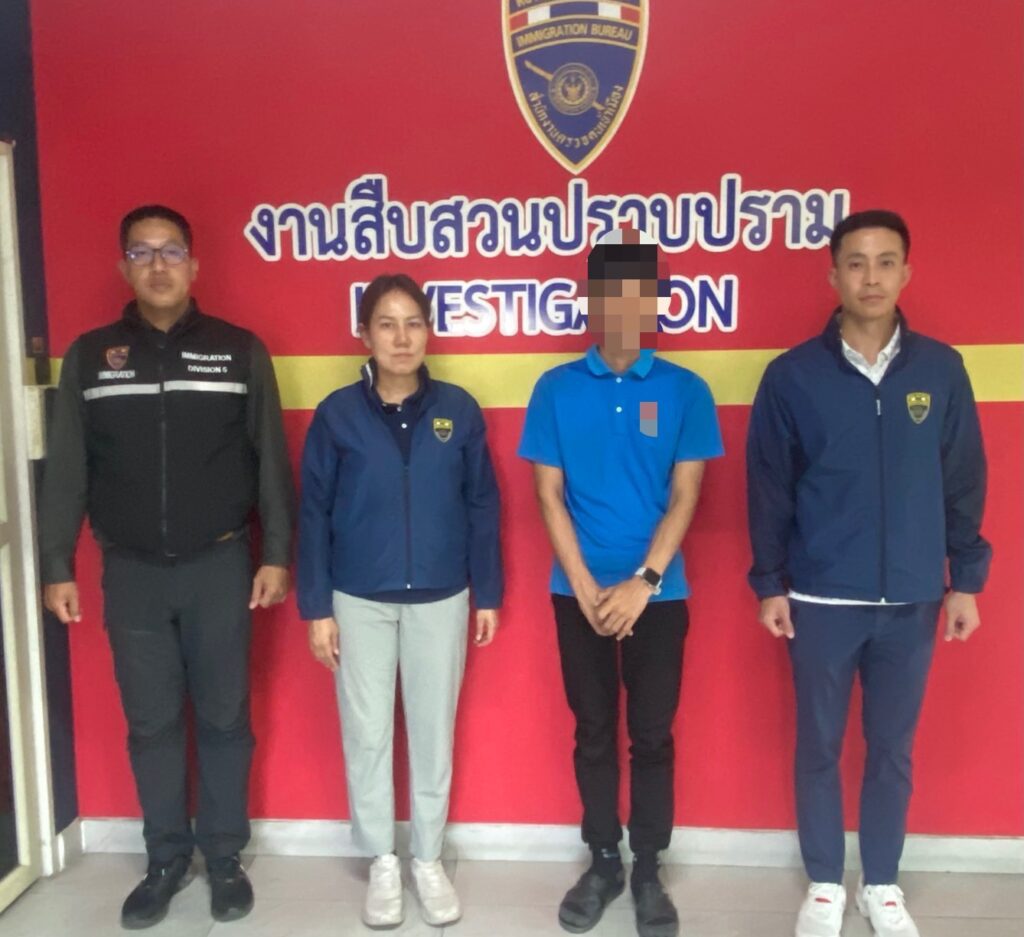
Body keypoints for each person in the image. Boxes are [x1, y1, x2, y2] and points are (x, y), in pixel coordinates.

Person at [39, 205, 296, 928]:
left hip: (220, 564)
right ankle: (164, 858)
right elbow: (67, 471)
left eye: (171, 250)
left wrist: (277, 553)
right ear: (123, 266)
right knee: (150, 723)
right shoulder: (90, 358)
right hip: (132, 574)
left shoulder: (239, 351)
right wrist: (57, 561)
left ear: (194, 264)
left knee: (224, 718)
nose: (158, 264)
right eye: (142, 252)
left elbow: (270, 463)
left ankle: (223, 856)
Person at [746, 210, 991, 937]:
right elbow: (769, 488)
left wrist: (965, 579)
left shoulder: (940, 370)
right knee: (819, 746)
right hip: (821, 596)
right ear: (834, 275)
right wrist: (770, 582)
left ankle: (881, 883)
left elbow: (963, 478)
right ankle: (825, 883)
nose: (872, 277)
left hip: (912, 597)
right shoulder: (792, 376)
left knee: (892, 749)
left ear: (906, 272)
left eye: (886, 262)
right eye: (856, 262)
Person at [518, 227, 723, 937]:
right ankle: (603, 859)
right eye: (612, 295)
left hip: (659, 596)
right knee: (593, 729)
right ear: (592, 301)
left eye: (640, 294)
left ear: (656, 301)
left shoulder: (685, 390)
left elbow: (686, 495)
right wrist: (582, 584)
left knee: (653, 734)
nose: (625, 309)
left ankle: (648, 869)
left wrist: (644, 580)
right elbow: (548, 494)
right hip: (576, 593)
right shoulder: (555, 388)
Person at [297, 272, 503, 928]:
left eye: (413, 322)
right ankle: (382, 859)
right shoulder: (337, 414)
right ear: (364, 334)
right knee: (367, 733)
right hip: (358, 596)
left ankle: (427, 858)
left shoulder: (458, 409)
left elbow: (482, 504)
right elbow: (313, 512)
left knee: (433, 731)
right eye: (386, 324)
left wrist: (488, 591)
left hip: (442, 595)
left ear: (429, 331)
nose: (402, 337)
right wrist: (316, 607)